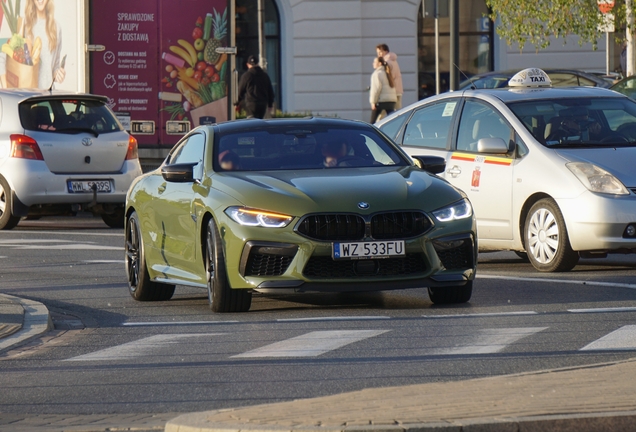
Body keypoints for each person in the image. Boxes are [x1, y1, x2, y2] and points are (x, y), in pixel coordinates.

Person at [24, 0, 66, 89]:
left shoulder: (56, 28)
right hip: (29, 95)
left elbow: (54, 67)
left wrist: (58, 74)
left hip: (48, 94)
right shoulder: (25, 26)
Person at [236, 55, 275, 119]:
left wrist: (237, 103)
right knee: (260, 121)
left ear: (248, 64)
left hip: (251, 104)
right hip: (263, 104)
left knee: (252, 122)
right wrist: (270, 105)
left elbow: (240, 91)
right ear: (257, 63)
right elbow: (270, 91)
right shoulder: (264, 75)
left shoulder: (246, 76)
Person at [369, 56, 397, 124]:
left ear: (380, 63)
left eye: (375, 62)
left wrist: (373, 102)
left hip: (381, 101)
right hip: (391, 101)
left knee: (372, 122)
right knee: (393, 121)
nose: (373, 63)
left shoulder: (377, 74)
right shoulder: (388, 73)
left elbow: (376, 89)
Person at [376, 44, 403, 110]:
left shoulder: (387, 62)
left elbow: (387, 77)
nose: (379, 54)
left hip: (390, 92)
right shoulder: (393, 60)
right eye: (378, 53)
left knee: (381, 114)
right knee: (398, 113)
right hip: (398, 90)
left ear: (386, 51)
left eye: (380, 52)